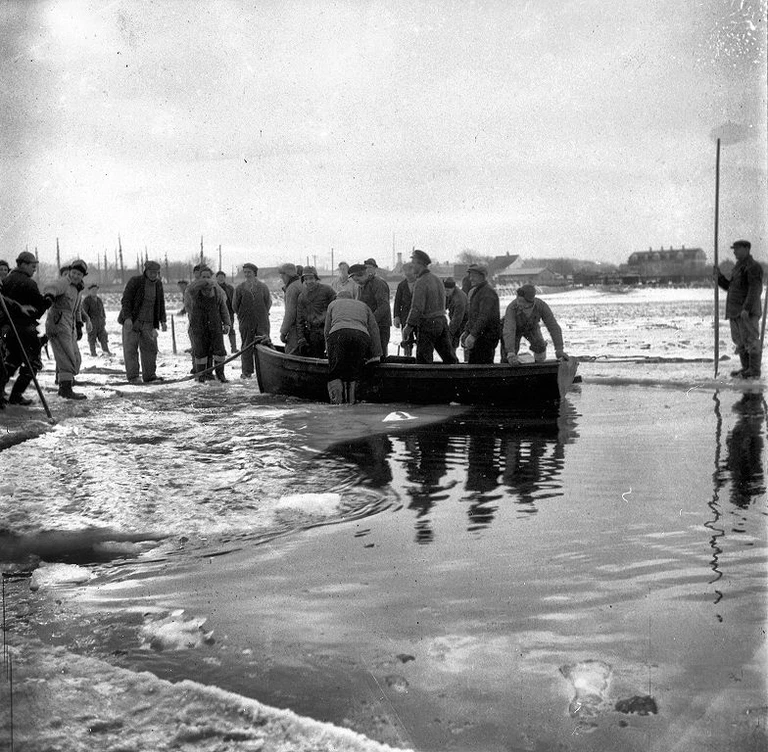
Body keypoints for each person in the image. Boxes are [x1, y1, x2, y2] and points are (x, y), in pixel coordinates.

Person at [0, 251, 51, 406]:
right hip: (26, 329)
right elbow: (39, 309)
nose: (34, 269)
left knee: (12, 360)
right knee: (33, 363)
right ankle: (16, 396)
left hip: (8, 329)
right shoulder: (29, 283)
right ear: (22, 264)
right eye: (32, 266)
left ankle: (0, 392)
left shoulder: (6, 280)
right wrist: (48, 300)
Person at [715, 239, 763, 378]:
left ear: (747, 248)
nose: (734, 252)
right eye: (734, 249)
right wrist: (719, 278)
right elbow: (731, 287)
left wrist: (746, 309)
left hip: (746, 312)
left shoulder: (752, 266)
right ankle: (746, 368)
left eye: (737, 248)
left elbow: (755, 289)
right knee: (741, 342)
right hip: (735, 312)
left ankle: (754, 371)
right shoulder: (738, 267)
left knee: (751, 341)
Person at [43, 259, 91, 400]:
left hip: (68, 326)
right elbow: (51, 286)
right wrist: (50, 296)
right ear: (70, 272)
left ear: (83, 276)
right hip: (58, 324)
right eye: (74, 273)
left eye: (79, 274)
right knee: (66, 357)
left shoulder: (77, 289)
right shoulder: (65, 282)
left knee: (75, 357)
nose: (76, 276)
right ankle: (65, 389)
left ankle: (67, 385)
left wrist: (79, 324)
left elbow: (76, 310)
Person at [324, 289, 382, 404]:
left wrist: (328, 351)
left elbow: (327, 330)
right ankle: (351, 403)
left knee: (335, 372)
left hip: (338, 334)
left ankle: (338, 404)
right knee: (354, 371)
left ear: (337, 298)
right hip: (360, 335)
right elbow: (374, 330)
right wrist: (376, 354)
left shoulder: (333, 304)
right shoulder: (363, 305)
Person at [402, 250, 457, 364]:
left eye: (413, 262)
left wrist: (408, 327)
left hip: (428, 323)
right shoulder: (437, 279)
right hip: (442, 322)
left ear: (420, 264)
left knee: (423, 361)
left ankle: (425, 382)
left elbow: (417, 308)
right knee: (449, 358)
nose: (411, 265)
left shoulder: (421, 282)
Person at [119, 259, 167, 384]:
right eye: (151, 272)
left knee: (150, 350)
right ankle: (133, 376)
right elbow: (126, 301)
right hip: (132, 322)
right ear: (145, 271)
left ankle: (150, 376)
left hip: (149, 323)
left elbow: (160, 303)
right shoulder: (135, 281)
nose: (153, 275)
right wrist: (128, 318)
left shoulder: (158, 284)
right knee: (131, 349)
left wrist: (163, 320)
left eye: (156, 272)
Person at [501, 284, 567, 364]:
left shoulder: (541, 306)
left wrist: (559, 349)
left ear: (531, 302)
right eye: (518, 300)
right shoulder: (512, 308)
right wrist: (510, 352)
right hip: (513, 330)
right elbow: (509, 330)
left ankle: (538, 365)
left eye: (522, 302)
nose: (519, 304)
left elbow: (553, 326)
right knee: (507, 356)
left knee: (540, 346)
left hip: (531, 327)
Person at [188, 267, 231, 382]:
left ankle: (220, 374)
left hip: (215, 324)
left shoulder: (217, 291)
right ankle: (201, 375)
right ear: (199, 278)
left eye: (208, 277)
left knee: (219, 351)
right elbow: (190, 290)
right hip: (199, 325)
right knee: (201, 351)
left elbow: (223, 308)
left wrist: (227, 323)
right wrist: (202, 283)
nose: (206, 279)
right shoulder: (195, 290)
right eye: (203, 277)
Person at [232, 263, 271, 379]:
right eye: (245, 272)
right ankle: (247, 372)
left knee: (264, 344)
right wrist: (243, 315)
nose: (247, 274)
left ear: (255, 273)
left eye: (249, 272)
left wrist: (261, 314)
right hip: (246, 321)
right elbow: (235, 305)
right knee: (247, 346)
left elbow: (268, 302)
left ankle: (264, 371)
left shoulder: (263, 287)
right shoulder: (240, 288)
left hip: (262, 321)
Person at [461, 264, 500, 364]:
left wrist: (473, 335)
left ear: (482, 276)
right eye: (470, 275)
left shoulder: (487, 293)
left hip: (486, 338)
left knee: (481, 366)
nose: (471, 278)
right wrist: (467, 331)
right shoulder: (478, 291)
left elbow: (484, 317)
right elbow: (473, 316)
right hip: (479, 337)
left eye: (474, 276)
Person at [350, 262, 391, 355]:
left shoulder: (378, 283)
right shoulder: (361, 286)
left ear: (364, 274)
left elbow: (384, 306)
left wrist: (371, 321)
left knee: (380, 354)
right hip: (367, 326)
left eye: (358, 279)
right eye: (355, 281)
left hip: (380, 326)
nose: (358, 282)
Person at [296, 266, 336, 357]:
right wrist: (301, 338)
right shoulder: (302, 296)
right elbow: (299, 320)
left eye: (311, 278)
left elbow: (337, 306)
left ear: (316, 278)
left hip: (329, 329)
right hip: (313, 333)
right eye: (306, 279)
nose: (309, 281)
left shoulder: (327, 290)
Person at [393, 263, 418, 357]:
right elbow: (397, 302)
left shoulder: (420, 284)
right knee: (406, 341)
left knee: (422, 342)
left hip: (419, 318)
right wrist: (396, 316)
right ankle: (407, 359)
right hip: (405, 318)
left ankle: (421, 363)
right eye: (405, 271)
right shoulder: (401, 285)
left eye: (409, 270)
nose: (408, 273)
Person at [278, 262, 302, 354]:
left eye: (282, 274)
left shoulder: (292, 288)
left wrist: (283, 332)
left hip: (295, 329)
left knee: (291, 353)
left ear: (287, 275)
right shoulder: (301, 283)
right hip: (306, 327)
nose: (281, 277)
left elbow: (290, 313)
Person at [81, 283, 111, 356]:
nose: (94, 291)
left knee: (103, 337)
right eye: (92, 290)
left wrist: (103, 319)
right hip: (91, 323)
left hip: (100, 323)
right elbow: (84, 312)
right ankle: (93, 353)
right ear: (89, 291)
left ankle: (106, 351)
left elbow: (103, 311)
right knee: (92, 339)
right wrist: (87, 321)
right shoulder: (86, 300)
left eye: (95, 290)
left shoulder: (99, 300)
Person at [444, 277, 468, 352]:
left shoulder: (459, 300)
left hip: (466, 321)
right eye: (444, 290)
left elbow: (456, 320)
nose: (446, 292)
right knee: (452, 341)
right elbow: (444, 306)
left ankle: (463, 360)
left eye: (447, 290)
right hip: (457, 319)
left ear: (453, 288)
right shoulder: (449, 293)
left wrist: (449, 333)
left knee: (465, 343)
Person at [216, 271, 237, 353]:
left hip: (229, 312)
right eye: (219, 277)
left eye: (222, 277)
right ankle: (221, 349)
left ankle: (234, 348)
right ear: (216, 278)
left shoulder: (230, 288)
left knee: (231, 329)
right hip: (217, 313)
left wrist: (234, 309)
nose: (221, 278)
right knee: (218, 331)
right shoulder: (214, 288)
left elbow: (234, 299)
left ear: (225, 278)